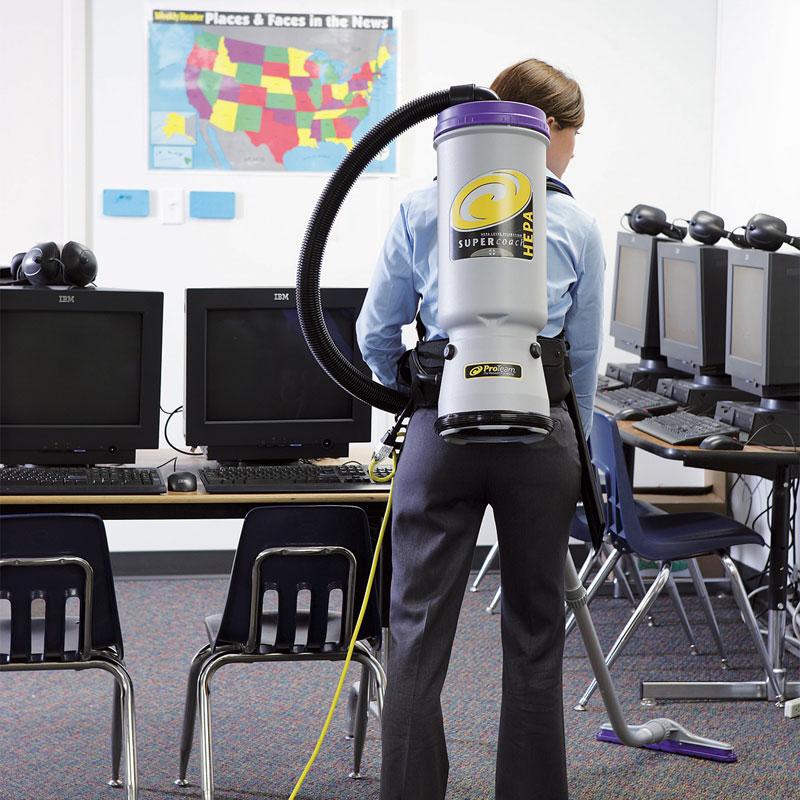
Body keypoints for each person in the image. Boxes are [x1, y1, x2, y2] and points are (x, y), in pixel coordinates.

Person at [356, 58, 605, 800]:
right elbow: (584, 364)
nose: (572, 152)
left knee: (416, 636)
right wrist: (575, 451)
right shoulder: (578, 223)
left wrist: (414, 387)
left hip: (443, 433)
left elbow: (374, 334)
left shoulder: (422, 209)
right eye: (573, 134)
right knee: (534, 637)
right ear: (546, 128)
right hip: (543, 436)